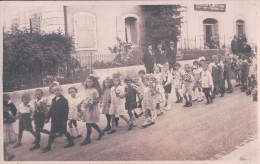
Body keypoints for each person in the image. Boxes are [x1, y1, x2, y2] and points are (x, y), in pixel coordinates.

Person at [42, 85, 74, 152]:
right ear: (53, 92)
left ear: (61, 91)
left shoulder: (64, 100)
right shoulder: (53, 100)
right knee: (52, 132)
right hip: (54, 120)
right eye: (55, 90)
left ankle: (71, 142)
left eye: (58, 90)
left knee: (64, 131)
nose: (57, 92)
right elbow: (51, 109)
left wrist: (65, 120)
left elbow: (66, 111)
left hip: (61, 120)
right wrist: (47, 117)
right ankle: (48, 146)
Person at [80, 76, 104, 146]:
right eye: (87, 81)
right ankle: (100, 131)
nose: (88, 83)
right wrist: (83, 102)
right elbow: (86, 98)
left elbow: (98, 100)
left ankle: (87, 139)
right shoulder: (87, 90)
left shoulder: (94, 90)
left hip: (93, 108)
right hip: (88, 108)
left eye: (90, 81)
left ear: (93, 82)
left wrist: (92, 102)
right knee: (90, 122)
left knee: (88, 123)